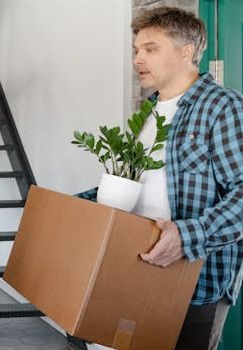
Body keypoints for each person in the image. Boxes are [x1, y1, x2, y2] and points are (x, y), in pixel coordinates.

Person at [79, 7, 243, 350]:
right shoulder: (148, 112)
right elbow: (138, 185)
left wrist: (185, 236)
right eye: (136, 50)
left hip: (195, 284)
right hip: (138, 274)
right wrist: (75, 206)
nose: (138, 59)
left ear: (186, 52)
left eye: (151, 49)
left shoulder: (223, 107)